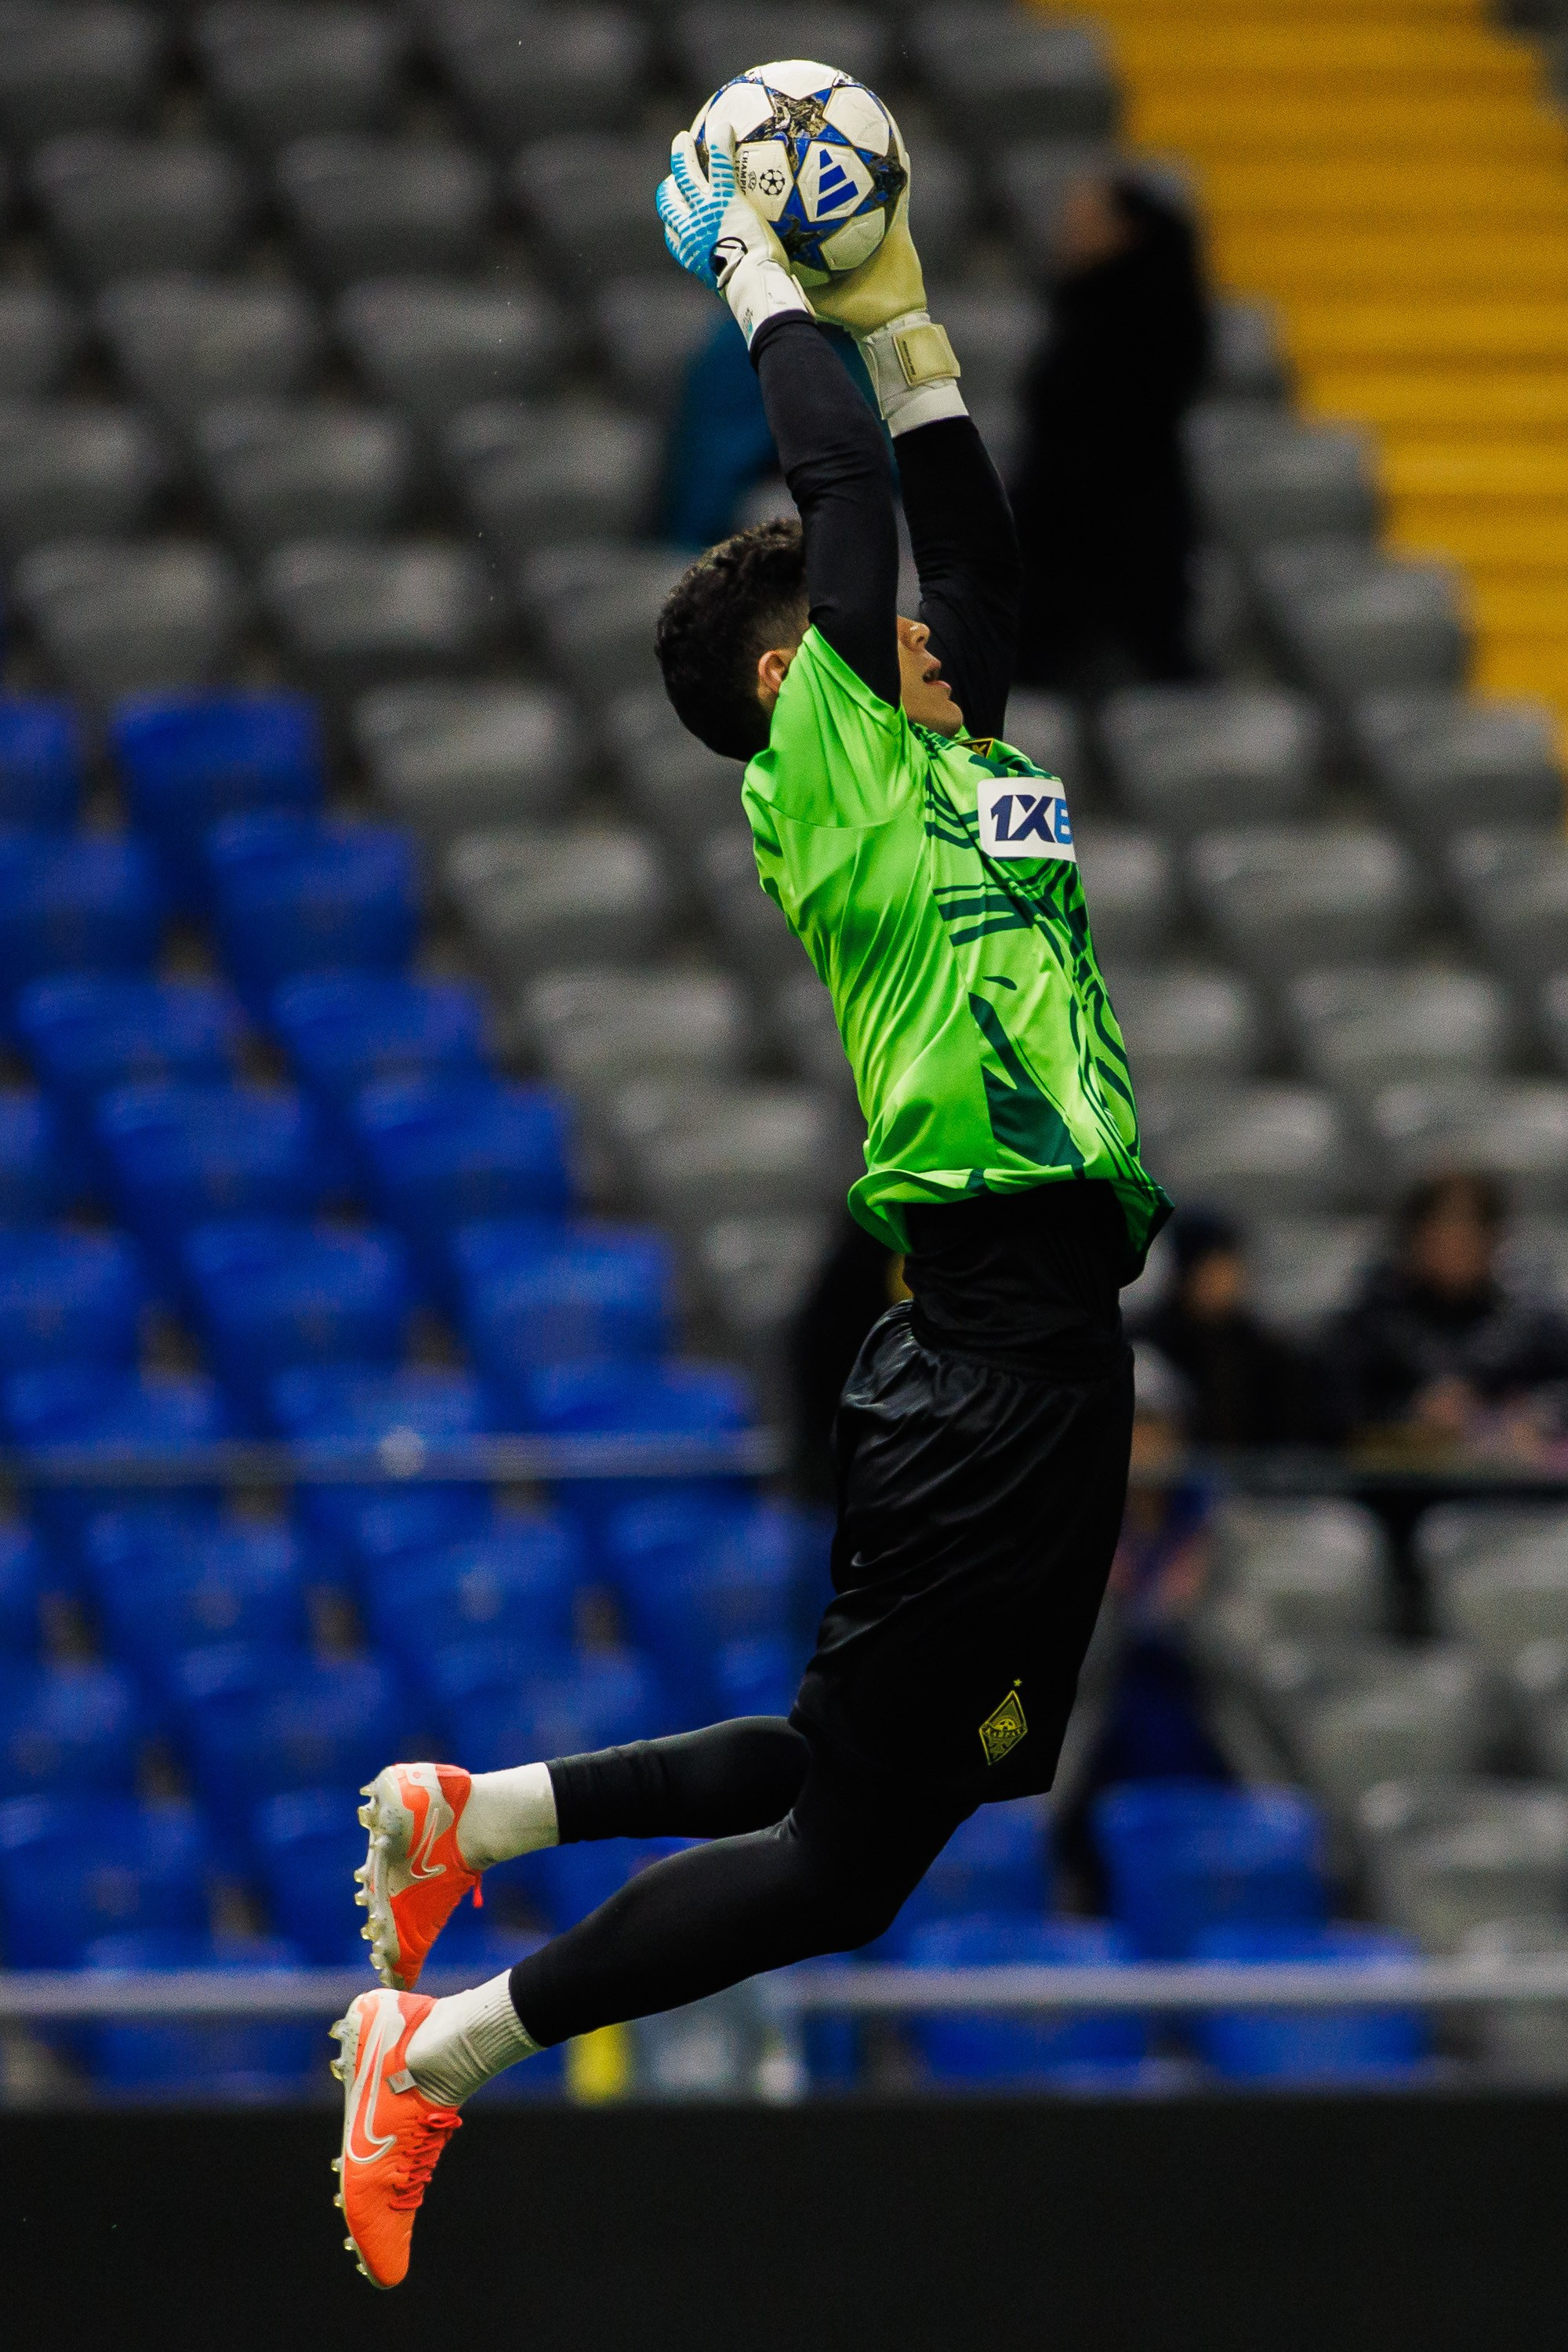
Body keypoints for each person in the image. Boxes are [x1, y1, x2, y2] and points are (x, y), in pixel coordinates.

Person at [326, 123, 1169, 2289]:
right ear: (793, 683)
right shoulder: (825, 768)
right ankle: (439, 2050)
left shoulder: (951, 744)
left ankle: (470, 1821)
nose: (913, 637)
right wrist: (766, 284)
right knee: (842, 1863)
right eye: (855, 623)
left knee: (860, 1779)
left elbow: (953, 540)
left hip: (1046, 1347)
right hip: (992, 1336)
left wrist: (910, 327)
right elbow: (863, 514)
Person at [1010, 170, 1210, 694]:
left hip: (1101, 535)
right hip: (1091, 532)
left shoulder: (1134, 326)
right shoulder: (1083, 311)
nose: (1067, 232)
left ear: (1127, 231)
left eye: (1085, 221)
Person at [1326, 1171, 1568, 1446]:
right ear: (1413, 1236)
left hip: (1508, 1484)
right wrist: (1410, 1416)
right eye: (1442, 1224)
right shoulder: (1371, 1324)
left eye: (1474, 1225)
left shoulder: (1530, 1322)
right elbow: (1335, 1415)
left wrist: (1534, 1413)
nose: (1457, 1240)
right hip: (1402, 1484)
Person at [1133, 1206, 1320, 1449]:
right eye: (1211, 1267)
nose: (1224, 1279)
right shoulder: (1149, 1347)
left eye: (1229, 1266)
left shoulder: (1269, 1355)